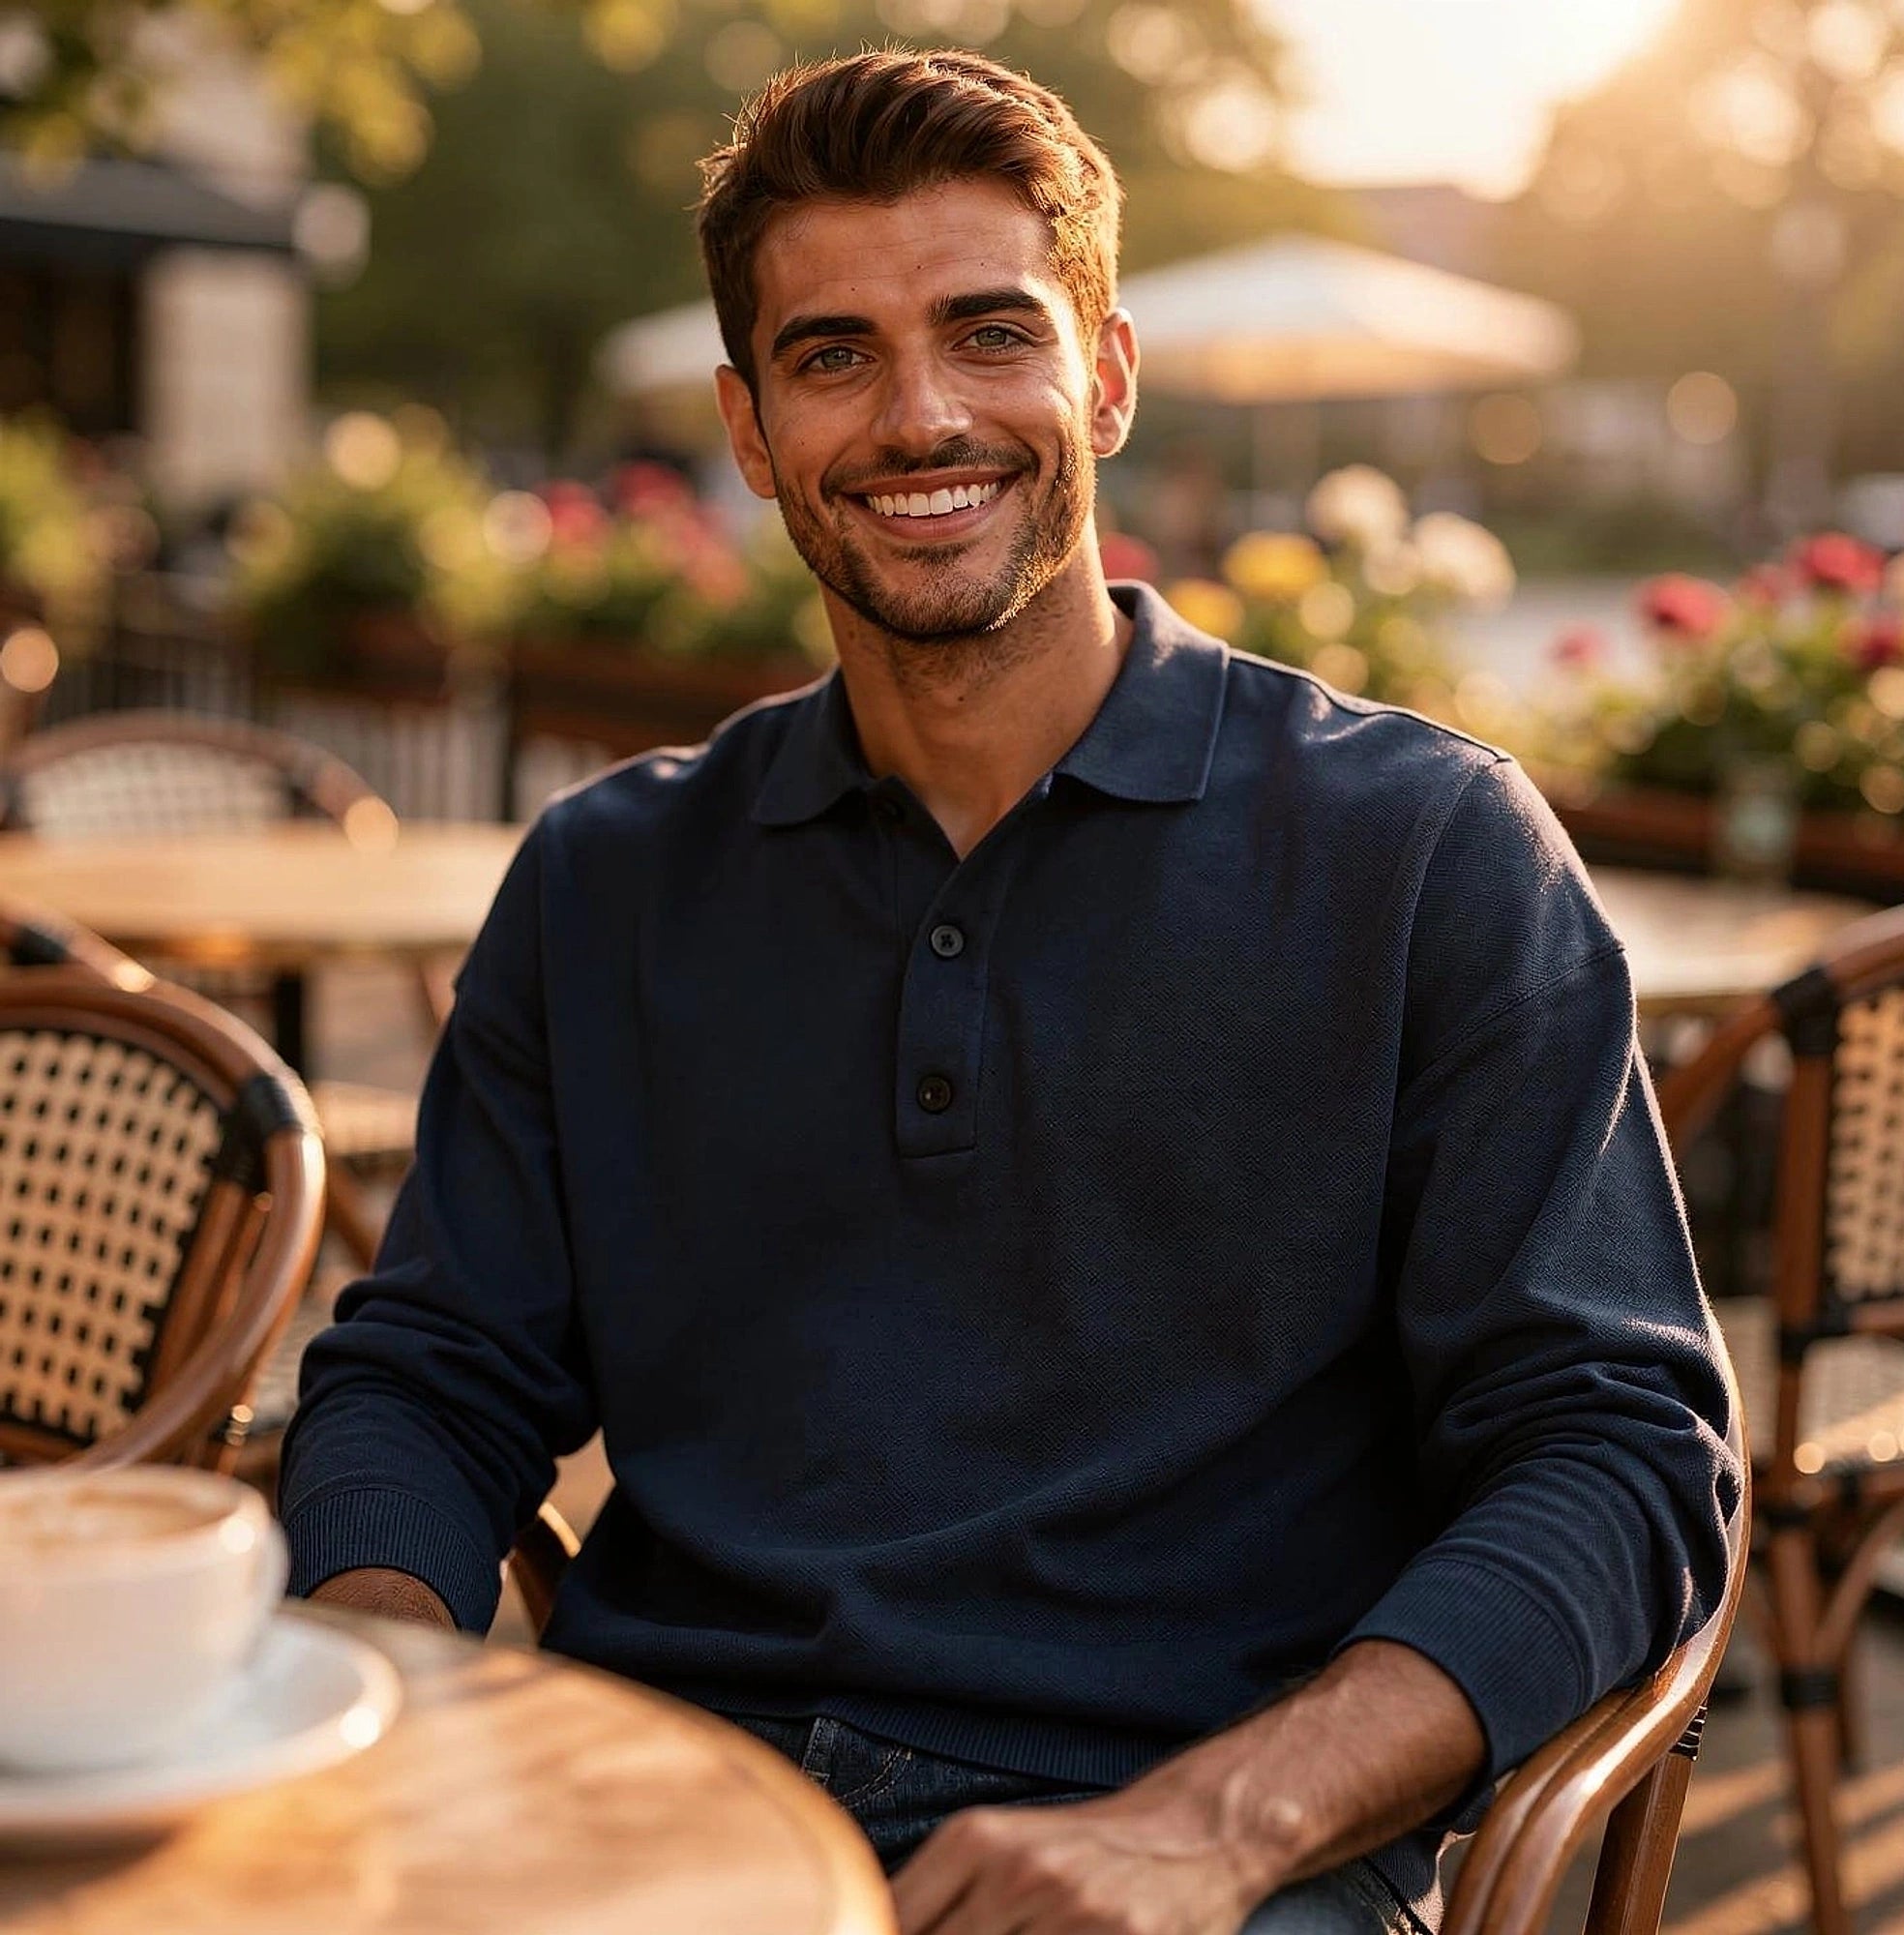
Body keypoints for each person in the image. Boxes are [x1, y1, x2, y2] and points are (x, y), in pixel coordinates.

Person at [282, 48, 1740, 1935]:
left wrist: (1218, 1820)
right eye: (832, 357)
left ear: (1105, 377)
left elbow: (1621, 1454)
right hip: (663, 1812)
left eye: (990, 333)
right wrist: (397, 1698)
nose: (918, 417)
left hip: (1198, 1845)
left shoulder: (1423, 850)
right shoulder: (607, 877)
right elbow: (430, 1375)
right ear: (746, 429)